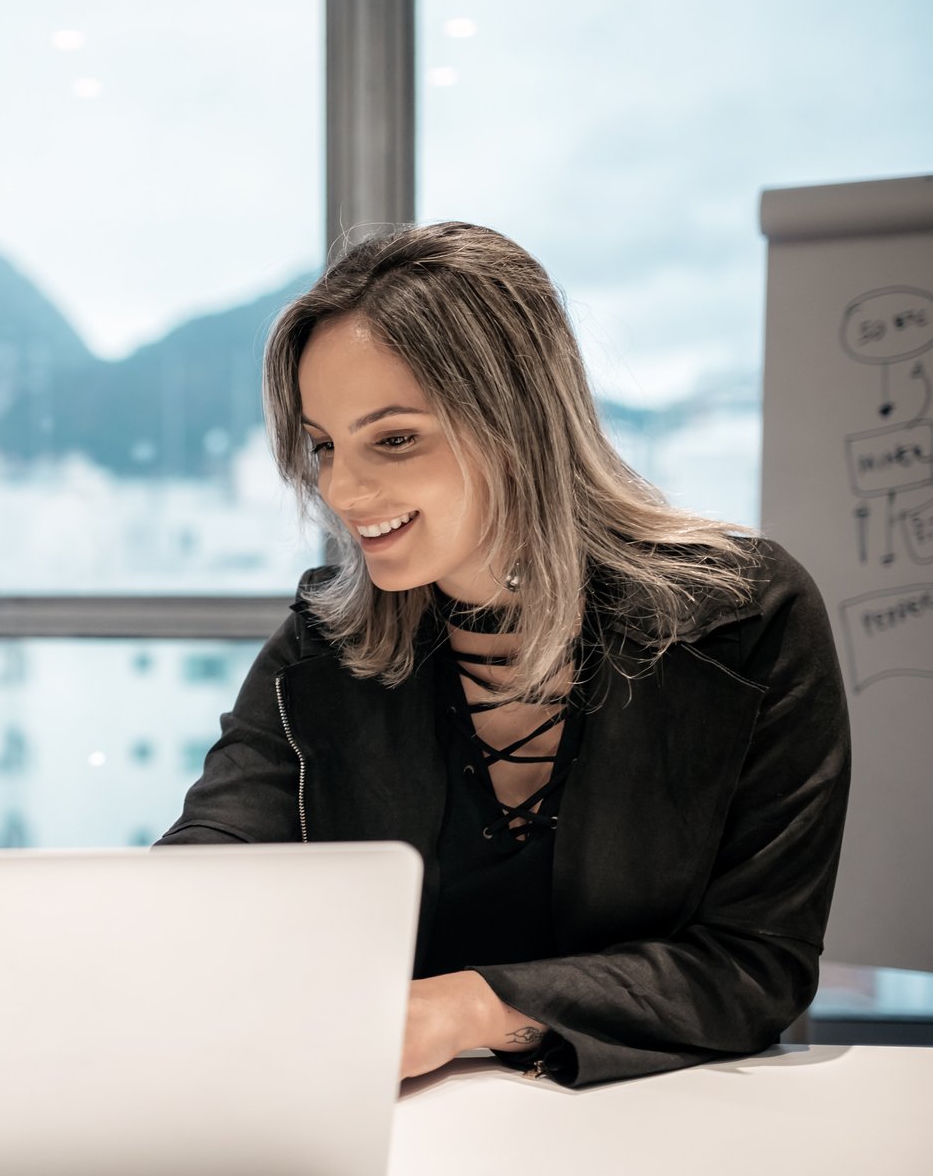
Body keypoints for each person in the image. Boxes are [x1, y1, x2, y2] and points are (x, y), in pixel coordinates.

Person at [159, 222, 849, 1087]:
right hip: (407, 1142)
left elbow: (756, 966)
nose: (339, 489)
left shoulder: (745, 621)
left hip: (673, 1131)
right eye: (322, 444)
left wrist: (470, 1008)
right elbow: (206, 857)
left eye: (394, 438)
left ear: (515, 419)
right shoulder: (324, 642)